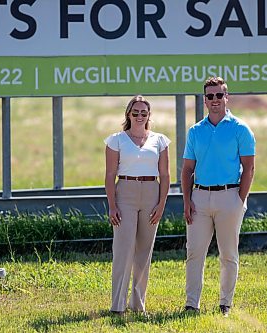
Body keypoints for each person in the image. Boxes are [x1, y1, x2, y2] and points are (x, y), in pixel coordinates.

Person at [181, 77, 255, 317]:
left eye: (219, 95)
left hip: (229, 196)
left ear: (227, 97)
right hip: (199, 198)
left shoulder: (240, 129)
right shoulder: (195, 131)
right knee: (194, 253)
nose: (215, 100)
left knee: (228, 255)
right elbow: (187, 170)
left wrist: (238, 200)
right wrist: (186, 201)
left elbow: (249, 168)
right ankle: (192, 303)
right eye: (210, 96)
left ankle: (226, 303)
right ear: (205, 100)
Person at [104, 95, 171, 315]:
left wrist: (161, 204)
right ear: (128, 114)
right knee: (123, 251)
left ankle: (137, 303)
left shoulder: (160, 141)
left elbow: (165, 174)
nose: (140, 116)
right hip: (126, 194)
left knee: (144, 252)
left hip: (151, 194)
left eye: (144, 112)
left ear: (149, 115)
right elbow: (110, 175)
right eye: (136, 112)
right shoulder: (116, 140)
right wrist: (112, 206)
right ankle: (118, 305)